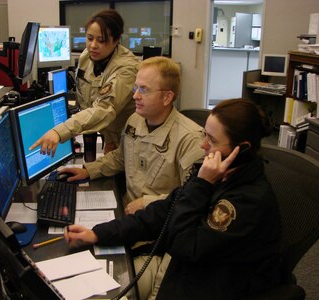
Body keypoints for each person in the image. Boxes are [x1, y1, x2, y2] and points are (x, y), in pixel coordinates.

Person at [64, 99, 282, 300]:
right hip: (178, 269)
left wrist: (202, 185)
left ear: (241, 150)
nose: (203, 145)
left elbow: (185, 245)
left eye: (212, 140)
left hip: (205, 285)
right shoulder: (217, 176)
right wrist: (98, 233)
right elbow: (161, 213)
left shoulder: (248, 201)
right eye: (205, 135)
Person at [60, 56, 204, 213]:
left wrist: (146, 203)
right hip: (127, 211)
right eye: (135, 88)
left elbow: (191, 197)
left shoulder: (190, 139)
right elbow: (121, 157)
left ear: (167, 97)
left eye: (144, 89)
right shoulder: (135, 120)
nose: (135, 96)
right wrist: (88, 170)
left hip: (157, 222)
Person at [30, 9, 138, 156]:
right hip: (99, 132)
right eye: (89, 38)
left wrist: (61, 131)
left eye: (101, 40)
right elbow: (85, 97)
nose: (93, 45)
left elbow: (105, 109)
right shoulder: (87, 57)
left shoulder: (127, 68)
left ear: (116, 41)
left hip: (124, 138)